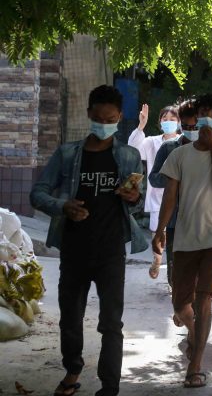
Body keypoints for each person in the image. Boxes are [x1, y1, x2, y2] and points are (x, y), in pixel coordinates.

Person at [30, 85, 146, 396]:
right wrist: (62, 206)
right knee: (70, 319)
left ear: (119, 118)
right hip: (74, 250)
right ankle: (73, 370)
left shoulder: (129, 155)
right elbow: (37, 193)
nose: (104, 123)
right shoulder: (67, 154)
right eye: (98, 118)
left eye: (110, 118)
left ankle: (110, 386)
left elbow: (137, 201)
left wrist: (133, 196)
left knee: (111, 324)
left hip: (110, 252)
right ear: (89, 115)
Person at [151, 94, 212, 389]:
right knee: (180, 304)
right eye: (204, 112)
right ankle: (194, 332)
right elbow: (170, 196)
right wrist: (160, 230)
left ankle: (196, 364)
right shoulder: (178, 154)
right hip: (185, 238)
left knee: (204, 298)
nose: (206, 118)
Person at [148, 98, 199, 290]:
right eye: (187, 125)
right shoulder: (169, 148)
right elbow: (154, 178)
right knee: (176, 274)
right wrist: (174, 179)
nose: (191, 129)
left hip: (203, 221)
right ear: (181, 124)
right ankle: (181, 305)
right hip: (175, 221)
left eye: (195, 126)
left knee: (200, 277)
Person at [128, 104, 180, 232]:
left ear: (179, 122)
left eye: (172, 119)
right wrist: (141, 126)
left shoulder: (184, 141)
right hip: (157, 201)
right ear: (160, 122)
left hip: (180, 200)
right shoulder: (151, 141)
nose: (168, 121)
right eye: (165, 118)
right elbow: (133, 148)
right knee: (158, 242)